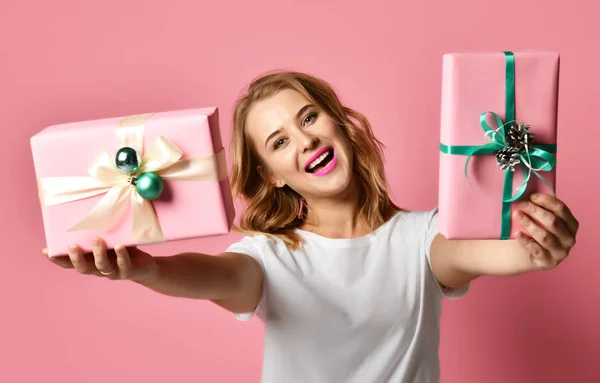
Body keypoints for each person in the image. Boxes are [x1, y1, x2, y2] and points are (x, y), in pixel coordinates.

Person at [44, 71, 579, 383]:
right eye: (278, 143)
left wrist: (541, 248)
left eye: (308, 118)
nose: (303, 142)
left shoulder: (424, 238)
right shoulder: (270, 260)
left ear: (341, 123)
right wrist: (144, 269)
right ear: (272, 177)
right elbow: (209, 274)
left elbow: (496, 253)